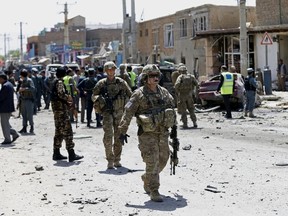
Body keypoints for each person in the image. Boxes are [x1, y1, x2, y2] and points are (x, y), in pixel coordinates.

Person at [118, 64, 176, 202]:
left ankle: (147, 177)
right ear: (145, 78)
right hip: (147, 134)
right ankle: (154, 189)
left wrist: (173, 128)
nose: (155, 78)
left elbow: (171, 110)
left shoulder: (163, 92)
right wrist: (122, 130)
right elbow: (128, 112)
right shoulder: (138, 94)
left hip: (162, 132)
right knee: (152, 160)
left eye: (157, 75)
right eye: (152, 76)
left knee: (164, 158)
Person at [92, 61, 132, 169]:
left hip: (119, 113)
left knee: (119, 136)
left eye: (112, 69)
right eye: (109, 70)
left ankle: (117, 160)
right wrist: (100, 99)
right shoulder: (101, 83)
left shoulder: (121, 82)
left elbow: (131, 95)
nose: (111, 72)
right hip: (107, 113)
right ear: (105, 71)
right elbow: (93, 95)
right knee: (108, 136)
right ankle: (110, 159)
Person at [50, 67, 84, 162]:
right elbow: (61, 94)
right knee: (68, 131)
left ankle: (56, 152)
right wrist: (68, 97)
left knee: (59, 132)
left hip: (57, 110)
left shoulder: (54, 82)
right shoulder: (60, 82)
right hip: (61, 110)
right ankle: (71, 153)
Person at [0, 72, 20, 144]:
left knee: (4, 124)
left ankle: (7, 139)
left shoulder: (5, 86)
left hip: (4, 108)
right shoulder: (9, 84)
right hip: (8, 108)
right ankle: (14, 134)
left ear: (2, 79)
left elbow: (1, 97)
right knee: (6, 123)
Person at [18, 69, 35, 133]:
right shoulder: (21, 81)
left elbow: (33, 88)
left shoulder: (29, 80)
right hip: (23, 99)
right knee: (23, 114)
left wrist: (24, 89)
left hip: (29, 100)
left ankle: (31, 127)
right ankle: (24, 127)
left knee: (29, 115)